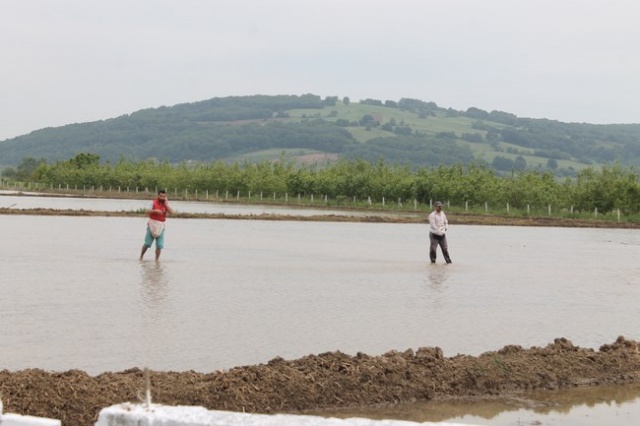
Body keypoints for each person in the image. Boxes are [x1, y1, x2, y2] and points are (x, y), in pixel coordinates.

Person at [140, 189, 174, 261]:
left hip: (161, 225)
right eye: (161, 196)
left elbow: (172, 212)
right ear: (158, 195)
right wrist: (155, 211)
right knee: (147, 244)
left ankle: (156, 260)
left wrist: (167, 204)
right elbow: (147, 211)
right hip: (152, 224)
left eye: (163, 196)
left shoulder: (165, 204)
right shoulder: (153, 203)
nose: (162, 198)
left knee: (159, 245)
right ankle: (141, 256)